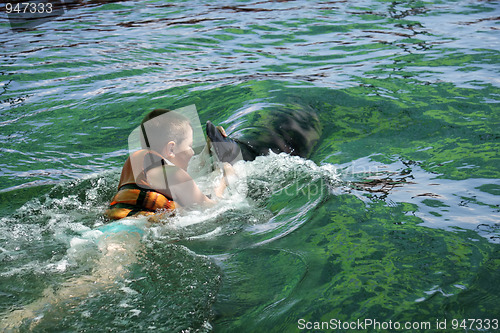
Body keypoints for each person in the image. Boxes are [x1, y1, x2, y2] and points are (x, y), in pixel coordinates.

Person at [105, 109, 234, 221]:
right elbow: (212, 207)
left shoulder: (134, 164)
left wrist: (210, 146)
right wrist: (224, 178)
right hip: (138, 234)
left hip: (113, 226)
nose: (192, 152)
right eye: (189, 146)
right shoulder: (174, 174)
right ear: (171, 149)